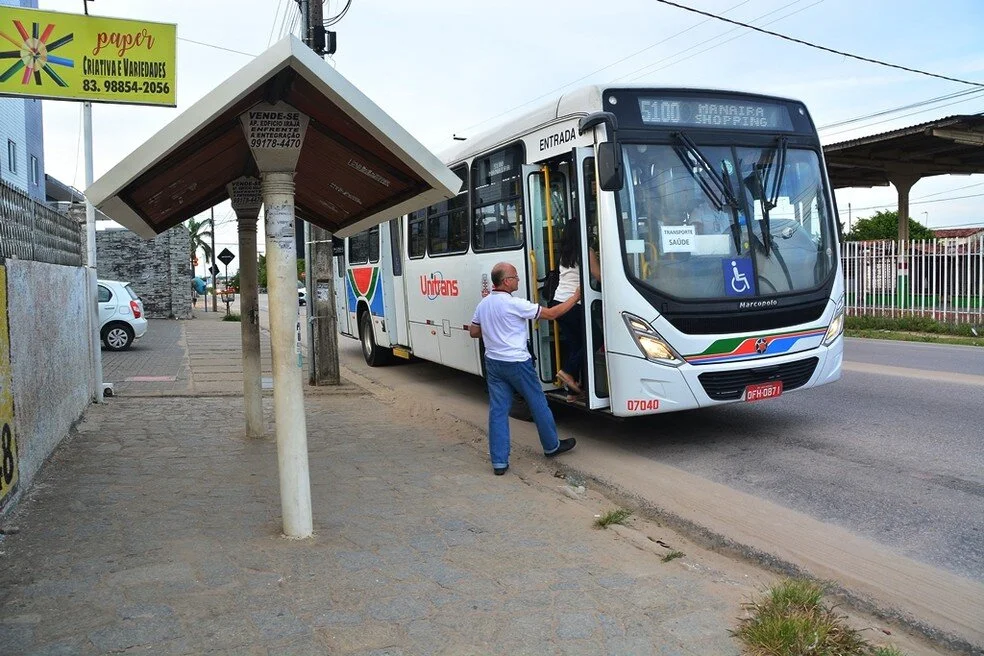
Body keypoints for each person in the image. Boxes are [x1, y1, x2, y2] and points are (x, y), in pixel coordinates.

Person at [469, 262, 581, 475]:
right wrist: (575, 298)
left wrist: (495, 332)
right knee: (538, 403)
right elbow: (550, 314)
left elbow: (474, 331)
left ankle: (499, 462)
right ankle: (551, 446)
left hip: (493, 363)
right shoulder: (515, 304)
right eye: (516, 277)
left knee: (498, 411)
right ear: (506, 281)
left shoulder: (483, 304)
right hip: (517, 363)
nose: (518, 280)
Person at [550, 221, 600, 398]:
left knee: (575, 345)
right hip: (573, 304)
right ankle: (566, 371)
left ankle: (573, 392)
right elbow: (597, 275)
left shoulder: (565, 254)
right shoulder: (586, 251)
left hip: (558, 303)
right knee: (596, 338)